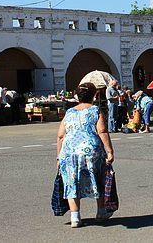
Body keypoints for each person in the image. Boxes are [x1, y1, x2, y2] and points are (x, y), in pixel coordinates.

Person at [56, 83, 114, 228]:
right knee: (98, 178)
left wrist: (58, 157)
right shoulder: (95, 110)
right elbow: (102, 131)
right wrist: (110, 151)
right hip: (91, 150)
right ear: (94, 96)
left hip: (69, 151)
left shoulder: (69, 112)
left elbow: (61, 136)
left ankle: (75, 217)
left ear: (77, 96)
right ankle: (101, 212)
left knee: (71, 181)